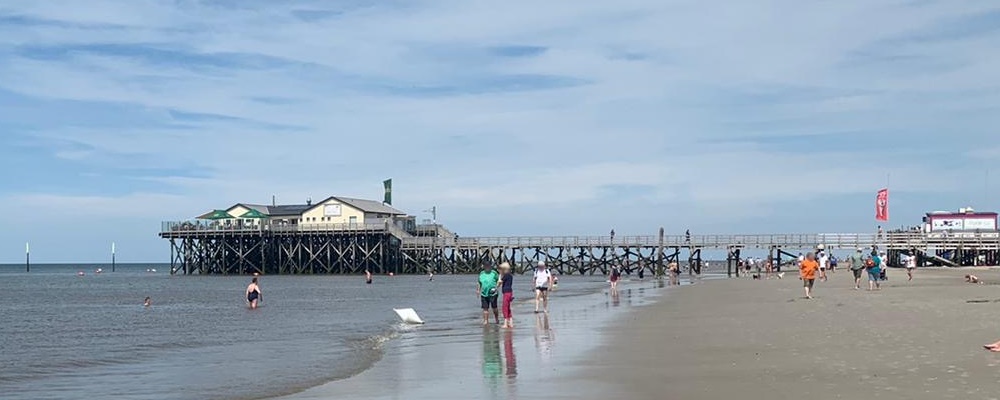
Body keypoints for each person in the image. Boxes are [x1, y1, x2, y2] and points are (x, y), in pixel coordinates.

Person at [498, 262, 515, 328]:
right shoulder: (510, 275)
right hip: (510, 292)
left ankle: (505, 323)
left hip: (506, 293)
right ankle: (510, 322)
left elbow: (499, 283)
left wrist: (500, 276)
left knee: (504, 307)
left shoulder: (506, 276)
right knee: (508, 308)